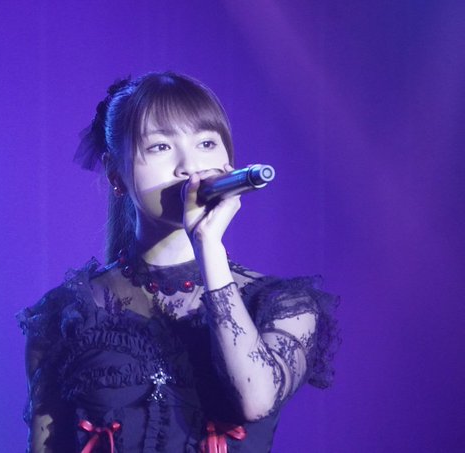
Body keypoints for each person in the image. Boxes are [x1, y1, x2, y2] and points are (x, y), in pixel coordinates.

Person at [18, 72, 339, 452]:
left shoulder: (284, 304)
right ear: (116, 173)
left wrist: (207, 245)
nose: (190, 167)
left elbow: (255, 400)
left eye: (206, 143)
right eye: (160, 147)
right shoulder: (67, 313)